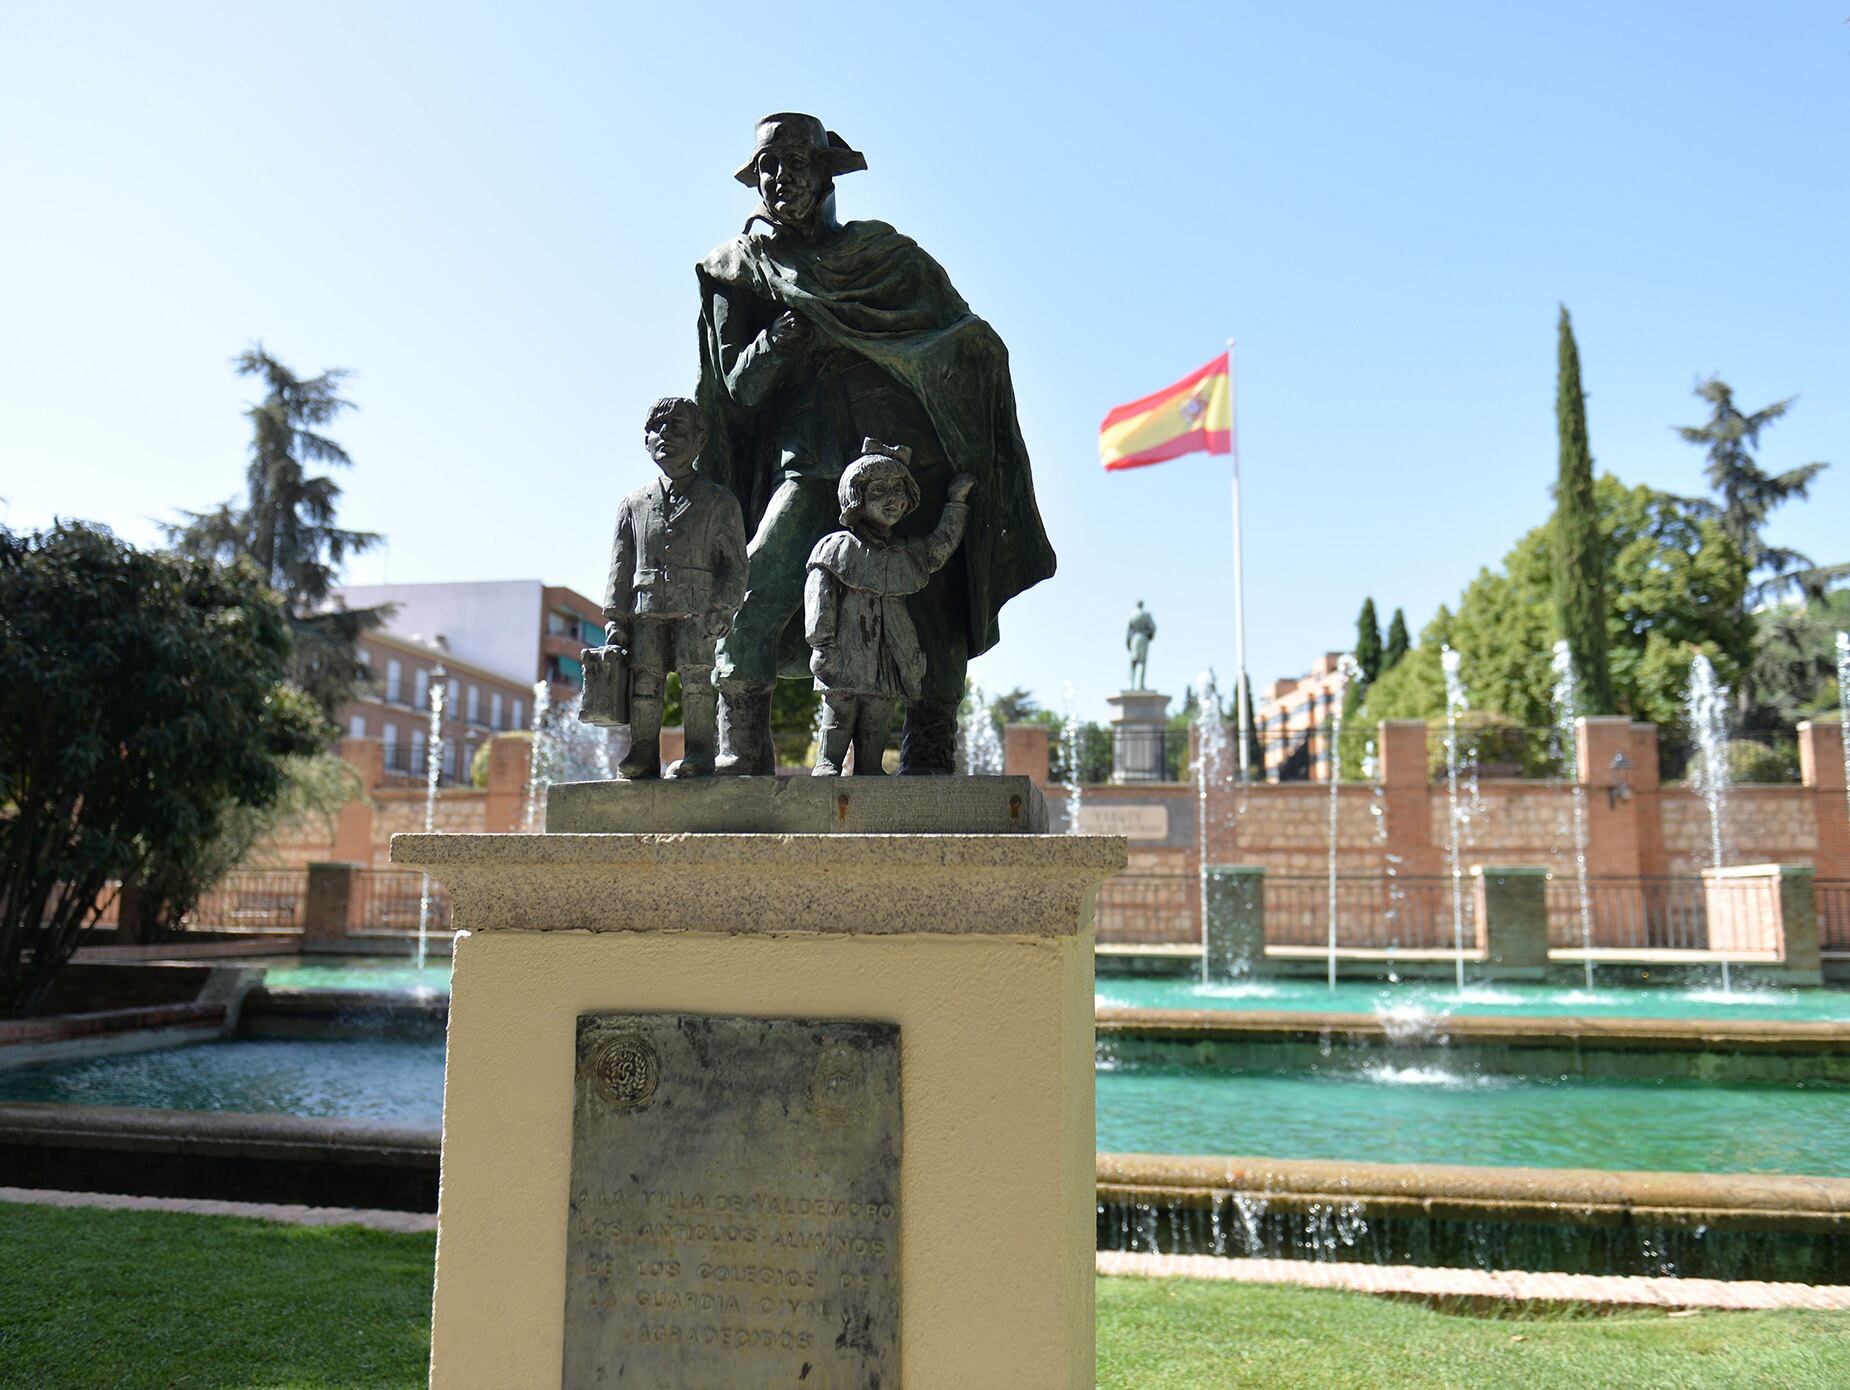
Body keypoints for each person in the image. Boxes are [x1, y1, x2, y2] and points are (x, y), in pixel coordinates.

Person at [693, 112, 1054, 775]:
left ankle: (931, 748)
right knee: (757, 585)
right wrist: (777, 341)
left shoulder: (890, 259)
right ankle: (740, 750)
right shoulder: (740, 268)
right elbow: (736, 388)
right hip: (808, 468)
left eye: (793, 165)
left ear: (826, 176)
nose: (778, 179)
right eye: (766, 169)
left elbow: (964, 341)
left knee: (929, 599)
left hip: (902, 460)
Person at [597, 397, 748, 779]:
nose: (665, 436)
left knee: (696, 678)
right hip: (646, 606)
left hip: (697, 607)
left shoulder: (719, 500)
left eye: (677, 428)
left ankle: (699, 751)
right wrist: (615, 617)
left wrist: (724, 608)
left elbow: (735, 563)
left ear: (699, 440)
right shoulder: (633, 504)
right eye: (657, 430)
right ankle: (643, 751)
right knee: (644, 679)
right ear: (646, 442)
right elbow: (620, 564)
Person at [803, 440, 975, 775]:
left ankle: (870, 766)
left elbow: (939, 547)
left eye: (898, 489)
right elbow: (819, 598)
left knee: (880, 710)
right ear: (856, 497)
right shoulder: (837, 547)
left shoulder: (906, 553)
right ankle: (829, 762)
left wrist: (956, 504)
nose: (891, 498)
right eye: (879, 490)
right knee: (841, 705)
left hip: (893, 644)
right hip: (849, 642)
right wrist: (821, 642)